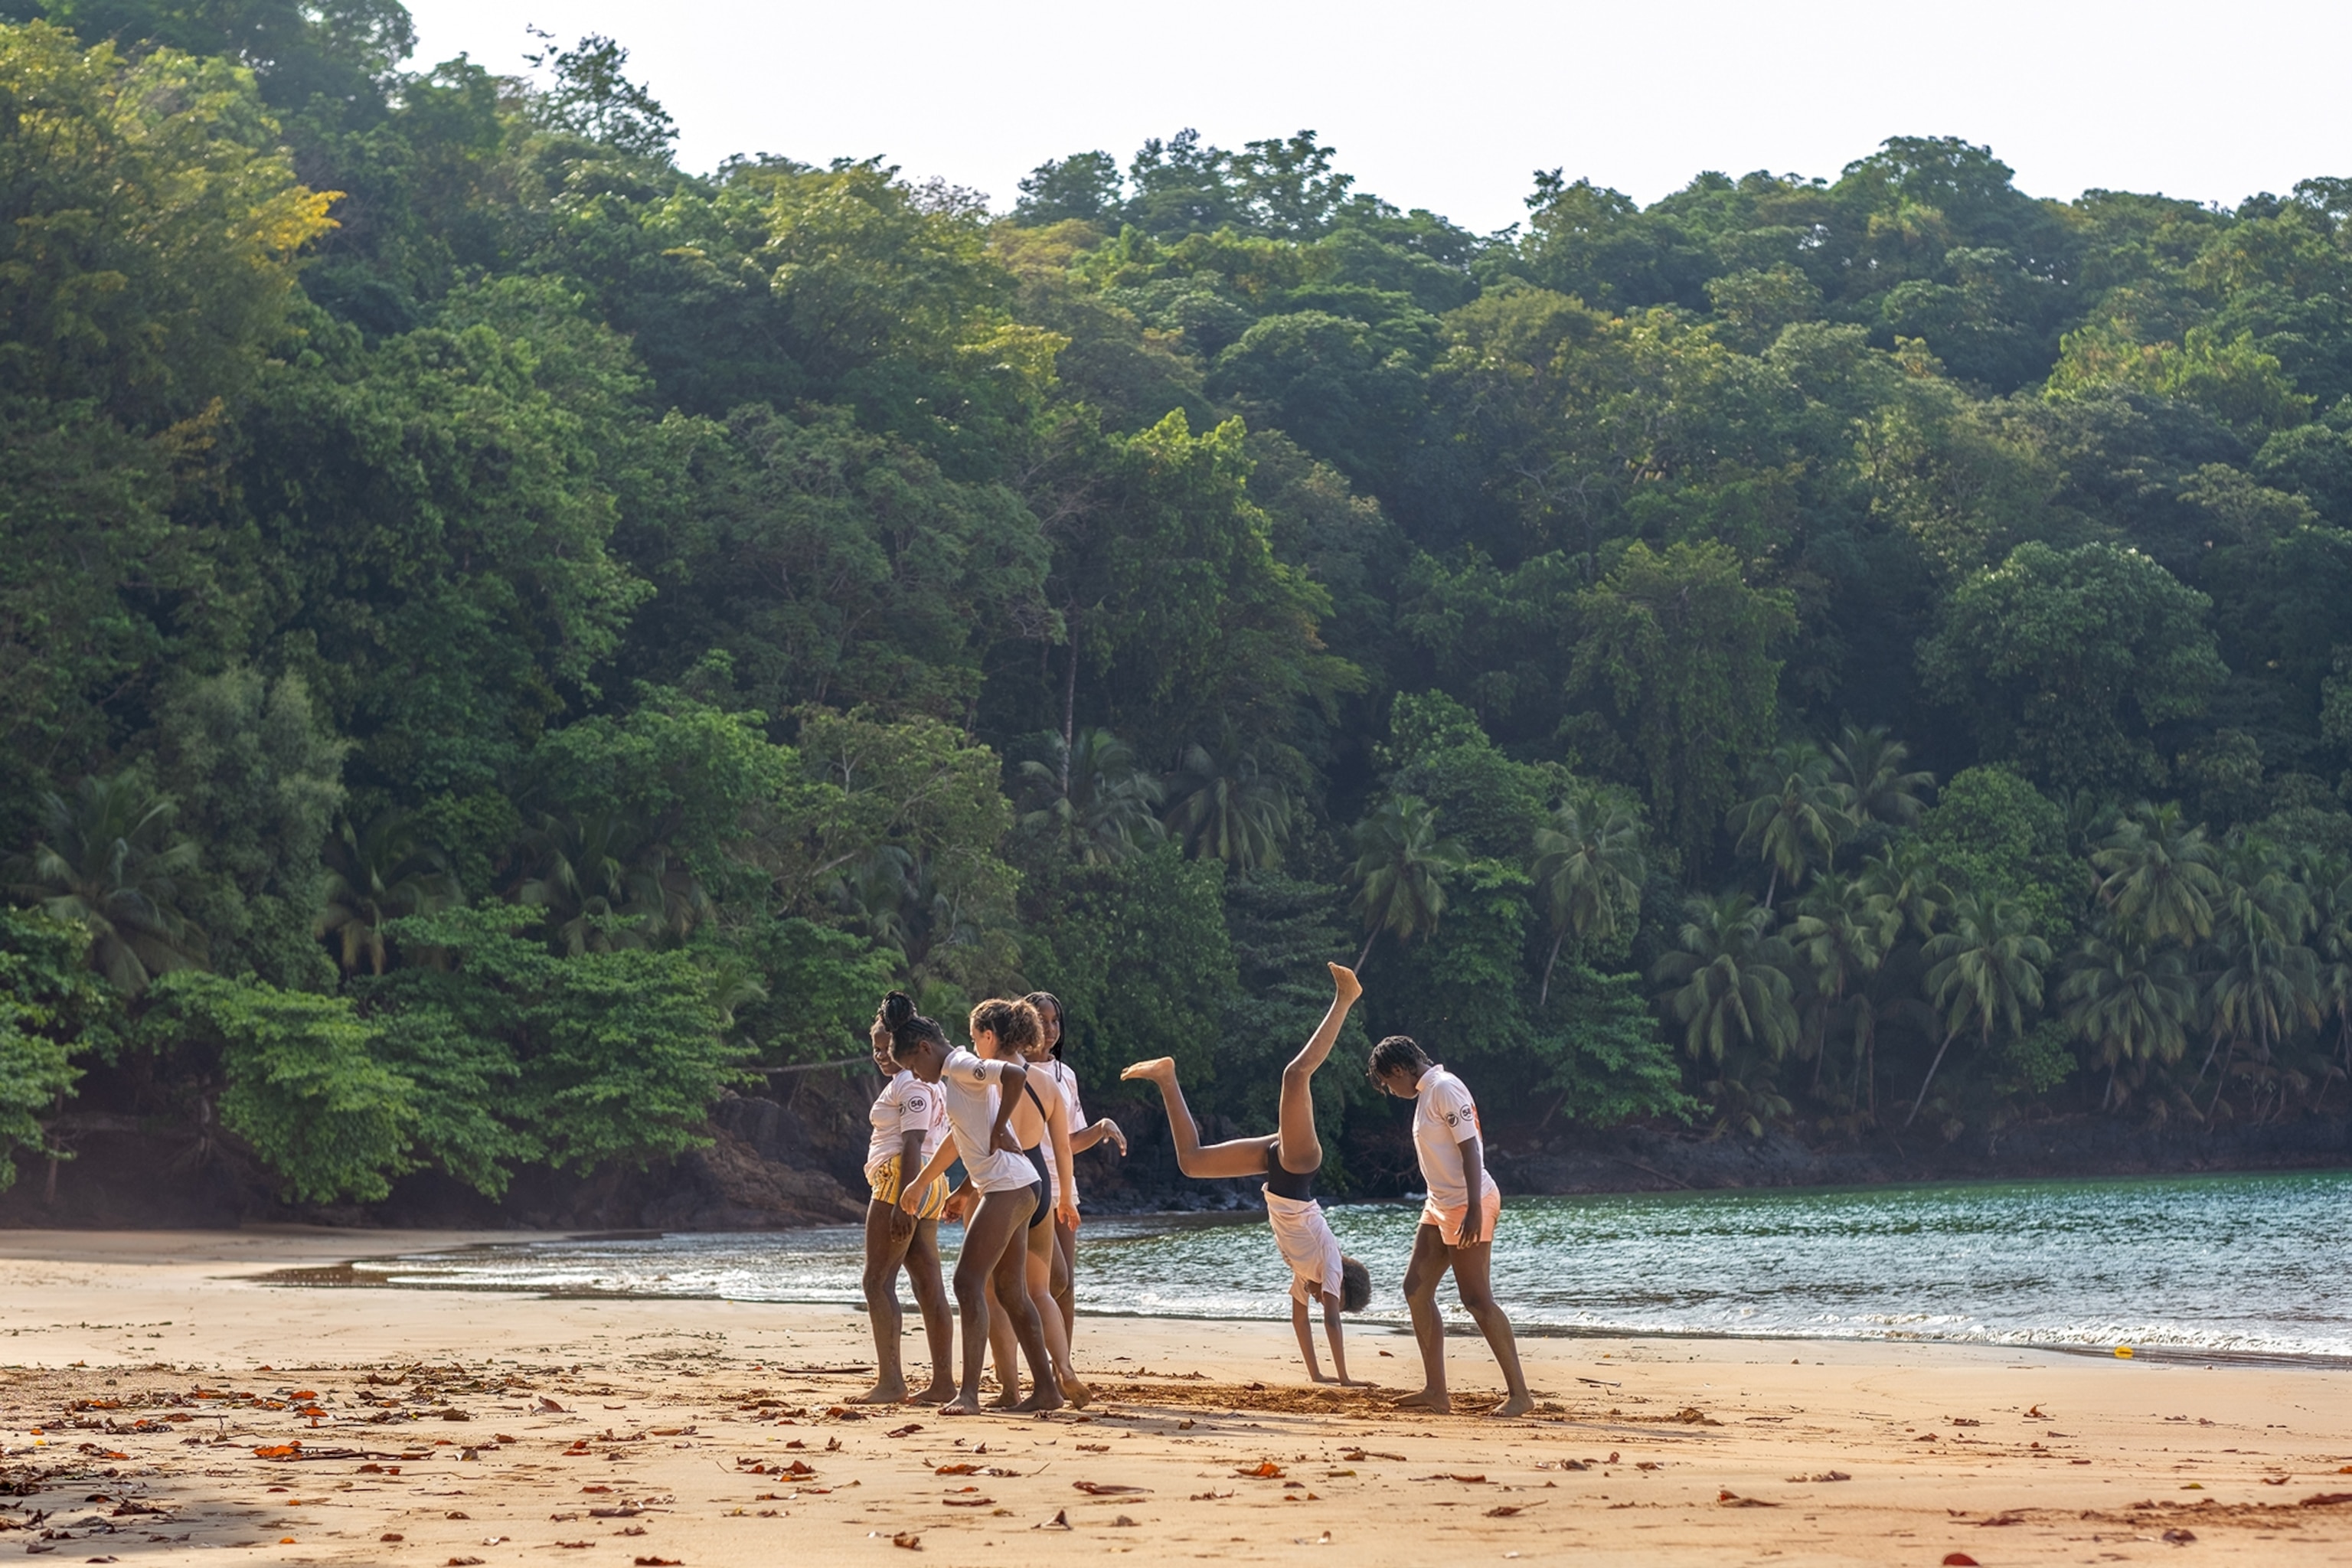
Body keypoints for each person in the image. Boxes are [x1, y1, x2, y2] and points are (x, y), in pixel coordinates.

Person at [1121, 963, 1372, 1385]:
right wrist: (1345, 1378)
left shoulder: (1305, 1272)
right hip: (1300, 1168)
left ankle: (1166, 1077)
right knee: (1294, 1076)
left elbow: (1300, 1322)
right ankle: (1345, 998)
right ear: (1341, 1282)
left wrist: (1318, 1377)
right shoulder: (1328, 1263)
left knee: (1192, 1162)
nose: (1326, 1299)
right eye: (1339, 1298)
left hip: (1278, 1172)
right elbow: (1329, 1320)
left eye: (1333, 1299)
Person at [884, 991, 1061, 1415]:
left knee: (966, 1282)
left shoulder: (960, 1065)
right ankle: (1046, 1390)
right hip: (1017, 1185)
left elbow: (1016, 1077)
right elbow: (956, 1140)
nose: (918, 1077)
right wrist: (920, 1184)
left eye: (913, 1066)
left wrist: (1001, 1129)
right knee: (1010, 1292)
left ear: (925, 1049)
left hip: (1009, 1186)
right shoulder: (954, 1075)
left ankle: (968, 1395)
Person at [1367, 1035, 1533, 1417]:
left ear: (1399, 1070)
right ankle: (1436, 1391)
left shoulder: (1444, 1088)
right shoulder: (1427, 1094)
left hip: (1467, 1203)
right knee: (1416, 1289)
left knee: (1476, 1299)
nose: (1392, 1090)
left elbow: (1470, 1147)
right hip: (1439, 1204)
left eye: (1389, 1083)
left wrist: (1474, 1207)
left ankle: (1521, 1394)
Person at [968, 998, 1089, 1407]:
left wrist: (963, 1191)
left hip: (1004, 1187)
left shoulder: (985, 1079)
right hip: (1041, 1185)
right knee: (1039, 1290)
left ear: (993, 1036)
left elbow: (975, 1142)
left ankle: (1009, 1388)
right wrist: (1066, 1197)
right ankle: (1064, 1370)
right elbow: (1064, 1149)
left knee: (993, 1291)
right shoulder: (1049, 1083)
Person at [850, 1023, 956, 1404]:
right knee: (928, 1284)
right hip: (931, 1178)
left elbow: (911, 1140)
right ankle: (943, 1381)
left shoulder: (911, 1083)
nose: (881, 1056)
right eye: (875, 1049)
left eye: (886, 1048)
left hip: (903, 1178)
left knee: (877, 1282)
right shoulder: (930, 1081)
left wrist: (901, 1204)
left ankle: (891, 1382)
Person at [1021, 990, 1126, 1341]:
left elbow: (1068, 1142)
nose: (1050, 1029)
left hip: (1063, 1185)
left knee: (1065, 1286)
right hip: (1024, 1186)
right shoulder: (1010, 1070)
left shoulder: (1066, 1074)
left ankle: (1061, 1363)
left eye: (1055, 1022)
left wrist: (1100, 1128)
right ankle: (1024, 1360)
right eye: (1041, 1021)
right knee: (1040, 1280)